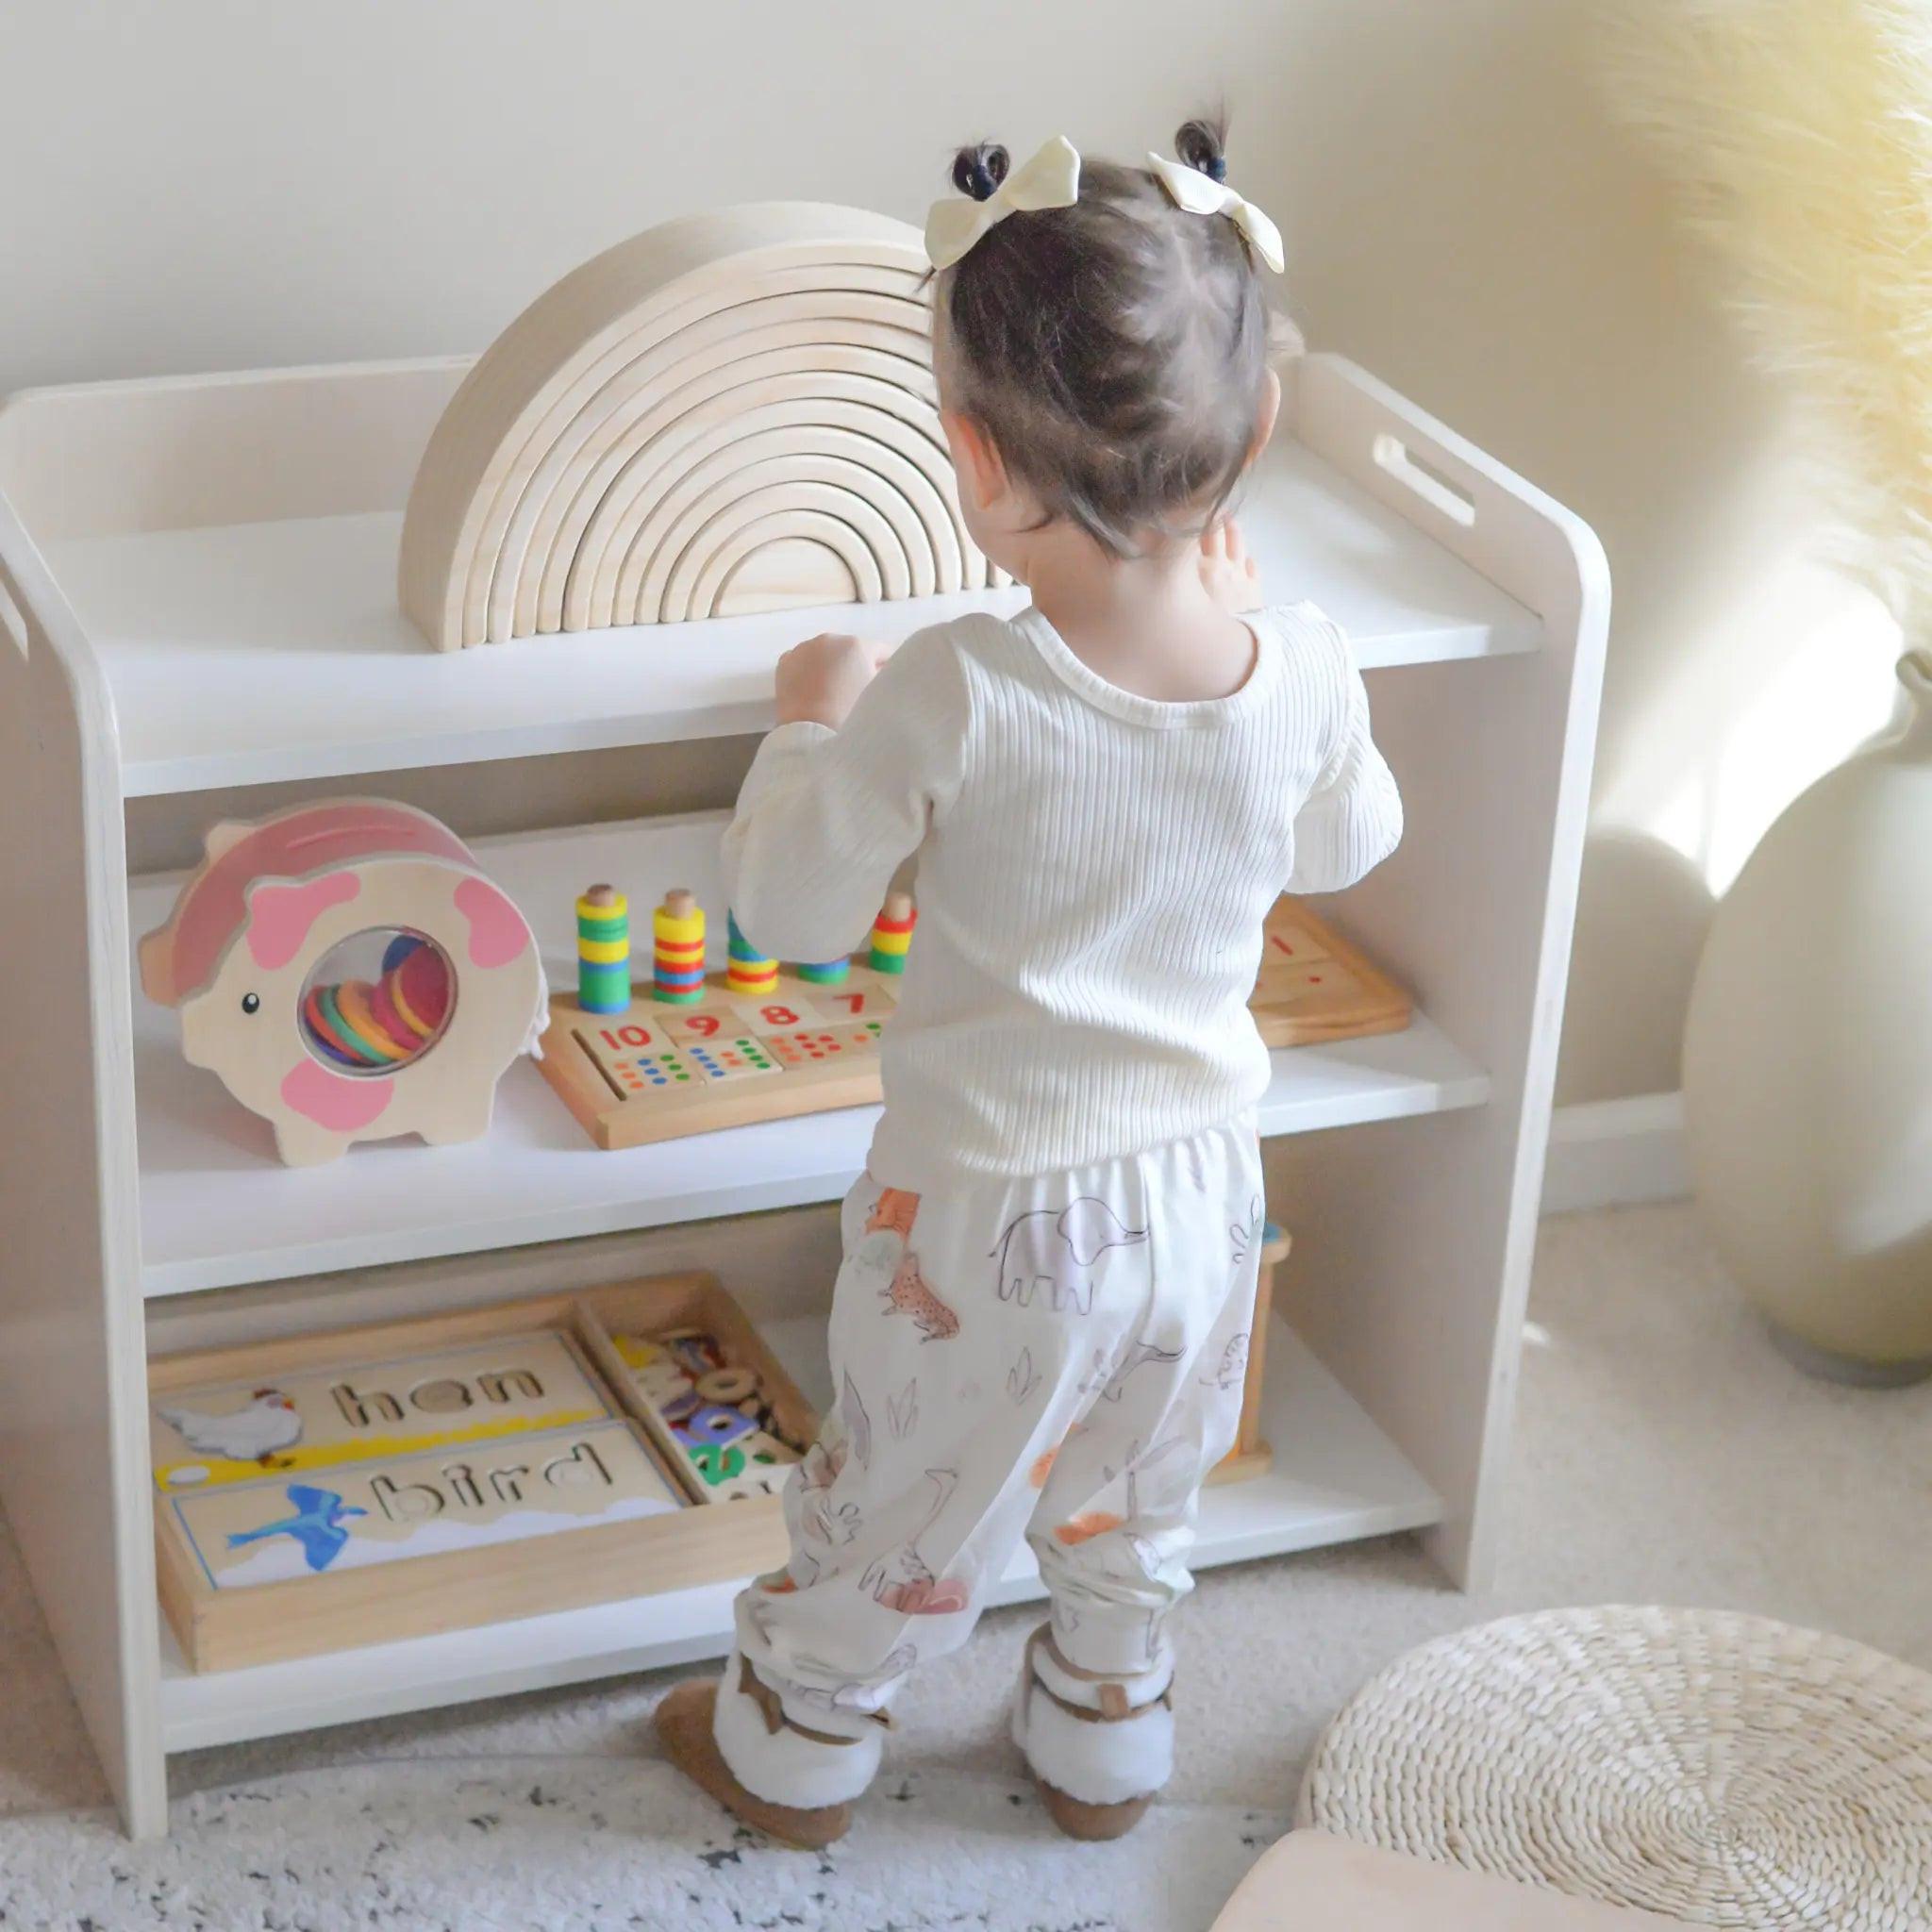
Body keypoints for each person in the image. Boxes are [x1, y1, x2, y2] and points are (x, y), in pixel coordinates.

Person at [657, 119, 1403, 1847]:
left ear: (976, 465)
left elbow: (791, 904)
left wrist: (805, 718)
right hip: (1209, 1201)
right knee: (1138, 1496)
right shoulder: (1300, 667)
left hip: (987, 1219)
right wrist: (1285, 658)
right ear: (1261, 429)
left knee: (904, 1504)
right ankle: (1103, 1739)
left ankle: (799, 1746)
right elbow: (1345, 843)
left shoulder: (957, 689)